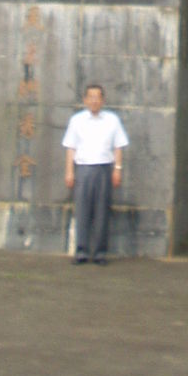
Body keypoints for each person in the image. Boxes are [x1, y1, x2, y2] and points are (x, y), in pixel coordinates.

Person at [62, 84, 129, 265]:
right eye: (90, 97)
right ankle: (81, 251)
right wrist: (69, 171)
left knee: (102, 211)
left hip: (104, 169)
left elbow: (119, 146)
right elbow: (70, 147)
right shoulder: (77, 120)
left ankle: (100, 252)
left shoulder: (112, 120)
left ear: (103, 100)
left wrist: (118, 169)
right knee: (82, 211)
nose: (94, 101)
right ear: (85, 100)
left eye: (97, 97)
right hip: (83, 169)